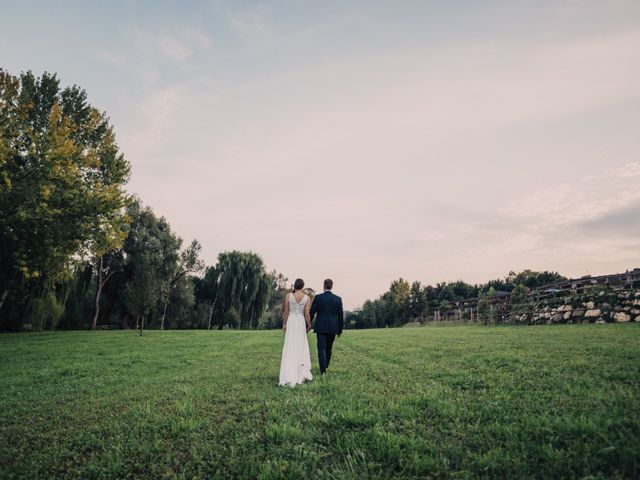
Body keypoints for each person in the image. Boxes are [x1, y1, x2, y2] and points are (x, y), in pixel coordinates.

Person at [278, 278, 313, 387]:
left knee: (290, 345)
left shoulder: (289, 296)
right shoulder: (307, 298)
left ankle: (289, 371)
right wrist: (309, 324)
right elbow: (307, 314)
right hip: (300, 322)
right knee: (300, 345)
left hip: (291, 321)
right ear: (302, 286)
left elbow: (286, 312)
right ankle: (300, 372)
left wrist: (284, 324)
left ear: (295, 286)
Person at [309, 279, 344, 374]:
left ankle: (323, 370)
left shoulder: (318, 298)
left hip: (321, 326)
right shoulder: (338, 299)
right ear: (331, 286)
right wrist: (340, 329)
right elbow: (341, 316)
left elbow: (312, 312)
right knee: (329, 348)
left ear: (324, 286)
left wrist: (308, 323)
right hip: (333, 327)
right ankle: (325, 366)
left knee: (321, 348)